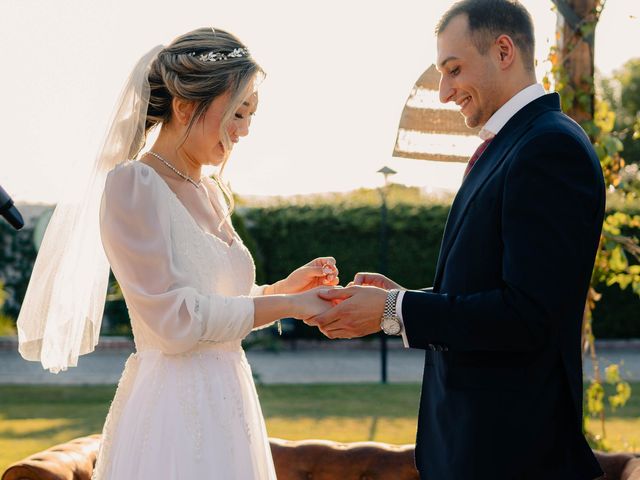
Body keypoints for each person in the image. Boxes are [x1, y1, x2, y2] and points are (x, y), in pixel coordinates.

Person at [18, 28, 337, 479]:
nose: (245, 130)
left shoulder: (209, 192)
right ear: (185, 106)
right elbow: (175, 322)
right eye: (237, 112)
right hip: (172, 413)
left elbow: (224, 300)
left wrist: (284, 288)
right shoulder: (134, 185)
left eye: (251, 115)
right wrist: (286, 305)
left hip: (230, 404)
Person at [309, 1, 605, 478]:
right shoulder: (514, 144)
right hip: (476, 451)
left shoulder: (548, 148)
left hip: (513, 457)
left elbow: (527, 317)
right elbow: (491, 292)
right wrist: (397, 300)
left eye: (453, 70)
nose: (445, 92)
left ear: (504, 50)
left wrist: (395, 310)